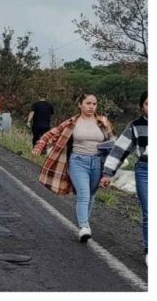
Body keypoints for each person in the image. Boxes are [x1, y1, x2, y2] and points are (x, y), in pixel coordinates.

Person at [32, 92, 114, 243]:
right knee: (83, 193)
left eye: (94, 104)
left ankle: (84, 223)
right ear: (80, 105)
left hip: (97, 162)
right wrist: (40, 145)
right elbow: (52, 133)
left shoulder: (103, 122)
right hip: (77, 161)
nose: (91, 107)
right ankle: (84, 226)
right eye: (88, 103)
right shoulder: (71, 122)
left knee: (91, 195)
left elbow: (113, 141)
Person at [101, 91, 147, 264]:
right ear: (142, 107)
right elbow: (119, 150)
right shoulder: (135, 126)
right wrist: (107, 174)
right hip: (145, 170)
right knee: (149, 211)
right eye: (148, 104)